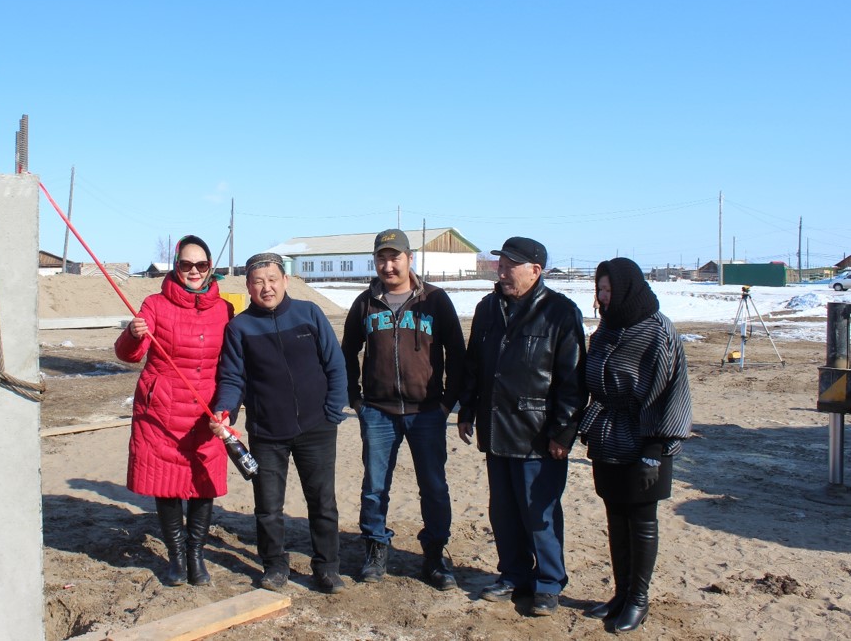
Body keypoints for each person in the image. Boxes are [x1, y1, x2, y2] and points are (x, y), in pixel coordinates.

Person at [457, 236, 587, 617]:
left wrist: (563, 432)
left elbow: (573, 380)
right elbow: (474, 364)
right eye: (500, 264)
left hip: (538, 435)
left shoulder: (560, 313)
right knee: (503, 512)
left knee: (539, 514)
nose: (502, 272)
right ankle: (513, 574)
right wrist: (467, 410)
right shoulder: (487, 309)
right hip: (496, 428)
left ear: (535, 270)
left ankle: (548, 582)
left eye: (510, 265)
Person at [211, 252, 349, 594]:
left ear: (285, 280)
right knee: (268, 507)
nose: (266, 288)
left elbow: (335, 364)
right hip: (267, 432)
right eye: (258, 282)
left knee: (323, 502)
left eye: (272, 280)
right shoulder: (239, 327)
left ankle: (327, 567)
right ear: (248, 287)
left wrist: (333, 410)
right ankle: (274, 565)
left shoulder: (309, 313)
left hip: (317, 427)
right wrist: (225, 410)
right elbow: (232, 378)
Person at [340, 228, 465, 590]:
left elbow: (458, 354)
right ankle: (376, 547)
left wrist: (447, 403)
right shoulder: (365, 303)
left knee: (434, 486)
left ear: (410, 259)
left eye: (395, 257)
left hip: (427, 412)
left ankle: (435, 554)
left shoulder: (435, 300)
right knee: (375, 486)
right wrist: (355, 399)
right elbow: (346, 354)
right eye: (381, 258)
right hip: (378, 412)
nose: (388, 265)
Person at [578, 258, 692, 633]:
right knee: (616, 516)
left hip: (645, 440)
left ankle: (638, 600)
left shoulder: (657, 330)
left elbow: (669, 392)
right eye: (600, 290)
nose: (603, 297)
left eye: (609, 290)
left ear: (628, 289)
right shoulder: (608, 327)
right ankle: (621, 593)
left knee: (641, 520)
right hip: (608, 433)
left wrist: (654, 451)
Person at [114, 235, 234, 587]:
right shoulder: (154, 304)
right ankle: (177, 557)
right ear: (176, 266)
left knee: (203, 482)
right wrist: (133, 333)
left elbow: (233, 362)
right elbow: (128, 354)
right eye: (186, 264)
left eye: (201, 265)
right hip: (162, 410)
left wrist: (229, 405)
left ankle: (196, 555)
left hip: (206, 408)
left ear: (210, 268)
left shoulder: (225, 309)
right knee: (165, 483)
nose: (194, 271)